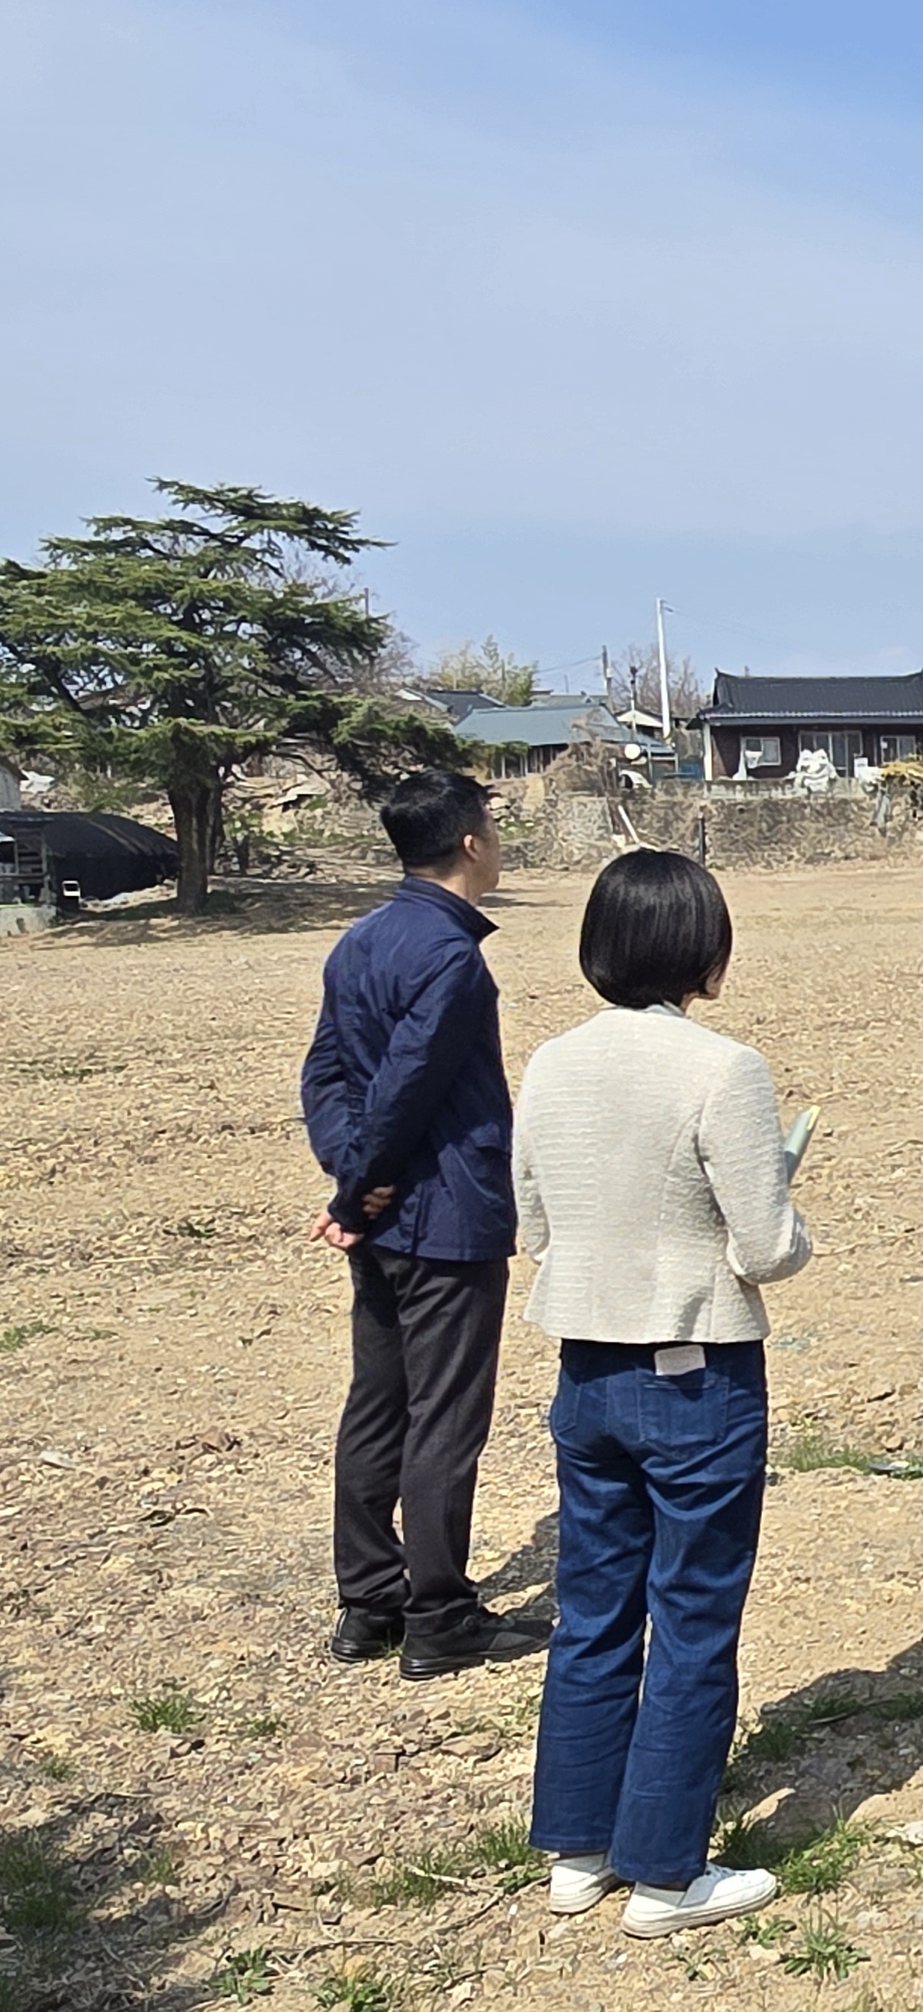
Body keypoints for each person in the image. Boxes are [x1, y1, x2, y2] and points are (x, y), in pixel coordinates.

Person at [514, 851, 811, 1937]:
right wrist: (787, 1194)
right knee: (692, 1614)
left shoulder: (550, 1061)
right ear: (704, 951)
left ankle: (577, 1849)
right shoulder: (723, 1068)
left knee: (591, 1609)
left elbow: (533, 1223)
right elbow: (767, 1247)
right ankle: (666, 1870)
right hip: (694, 1368)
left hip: (584, 1365)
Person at [299, 767, 535, 1679]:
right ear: (472, 843)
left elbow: (325, 1077)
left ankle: (368, 1603)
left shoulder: (359, 941)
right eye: (493, 825)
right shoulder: (451, 959)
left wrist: (352, 1182)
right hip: (441, 1211)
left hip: (383, 1213)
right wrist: (361, 1188)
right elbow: (407, 1087)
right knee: (443, 1415)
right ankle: (439, 1616)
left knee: (377, 1404)